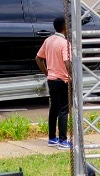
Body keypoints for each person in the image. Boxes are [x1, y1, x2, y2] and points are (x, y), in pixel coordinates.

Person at [36, 14, 72, 148]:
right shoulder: (65, 43)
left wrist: (47, 72)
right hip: (62, 80)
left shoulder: (49, 40)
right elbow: (67, 62)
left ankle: (52, 138)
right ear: (64, 27)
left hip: (51, 80)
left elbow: (38, 58)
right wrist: (72, 76)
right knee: (64, 110)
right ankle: (63, 140)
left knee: (54, 109)